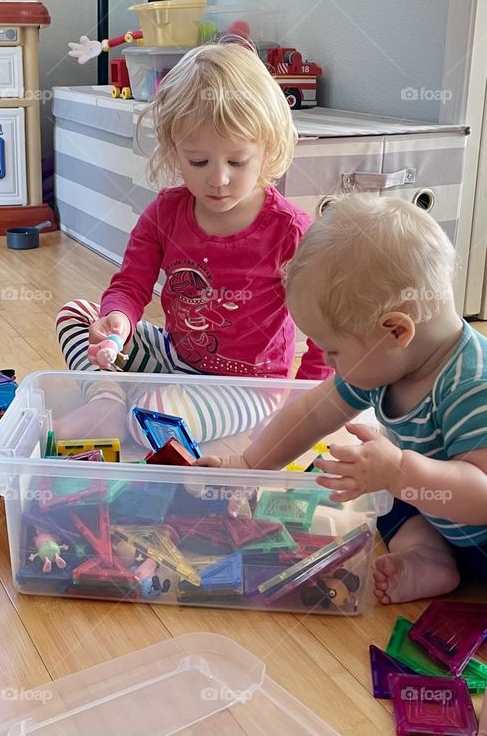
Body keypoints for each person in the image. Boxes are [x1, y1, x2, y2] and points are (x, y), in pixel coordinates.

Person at [199, 194, 487, 605]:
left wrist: (401, 472)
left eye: (333, 351)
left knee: (390, 483)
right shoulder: (384, 365)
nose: (328, 362)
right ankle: (430, 558)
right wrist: (248, 466)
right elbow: (312, 412)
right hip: (441, 518)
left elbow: (481, 496)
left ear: (395, 331)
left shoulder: (472, 387)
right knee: (379, 499)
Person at [55, 42, 329, 446]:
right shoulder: (166, 212)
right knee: (76, 314)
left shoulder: (289, 230)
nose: (217, 179)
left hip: (248, 388)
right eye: (198, 162)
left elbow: (327, 327)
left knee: (150, 417)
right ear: (174, 152)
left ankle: (126, 407)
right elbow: (130, 285)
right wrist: (119, 321)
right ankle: (107, 400)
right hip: (173, 355)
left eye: (237, 162)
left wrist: (304, 405)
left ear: (266, 149)